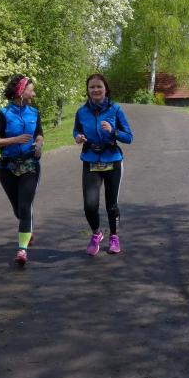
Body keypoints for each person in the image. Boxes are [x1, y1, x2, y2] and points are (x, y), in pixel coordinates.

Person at [0, 74, 44, 266]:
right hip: (7, 167)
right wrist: (14, 140)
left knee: (25, 207)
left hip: (30, 165)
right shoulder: (4, 114)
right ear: (20, 92)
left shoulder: (34, 113)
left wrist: (39, 144)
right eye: (31, 90)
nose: (34, 94)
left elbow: (39, 133)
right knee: (19, 209)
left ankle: (22, 250)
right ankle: (28, 228)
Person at [74, 73, 133, 256]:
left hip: (112, 160)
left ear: (106, 89)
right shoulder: (81, 112)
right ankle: (96, 233)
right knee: (89, 205)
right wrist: (78, 137)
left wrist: (113, 131)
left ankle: (114, 236)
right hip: (90, 160)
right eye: (92, 87)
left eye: (99, 86)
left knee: (111, 204)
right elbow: (76, 130)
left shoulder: (115, 109)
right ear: (87, 90)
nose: (95, 90)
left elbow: (129, 137)